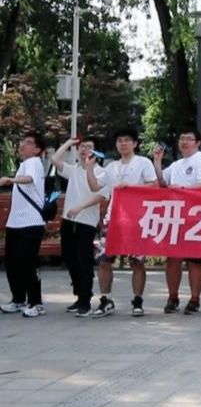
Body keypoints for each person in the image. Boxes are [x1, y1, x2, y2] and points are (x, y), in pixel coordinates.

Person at [66, 128, 157, 317]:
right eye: (119, 141)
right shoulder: (111, 167)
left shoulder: (143, 163)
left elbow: (154, 186)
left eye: (127, 140)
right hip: (113, 218)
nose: (123, 144)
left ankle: (137, 300)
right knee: (104, 260)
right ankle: (105, 300)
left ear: (135, 144)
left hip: (137, 219)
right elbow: (95, 186)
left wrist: (131, 187)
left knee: (137, 262)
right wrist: (89, 168)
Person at [153, 128, 201, 315]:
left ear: (198, 142)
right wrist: (157, 161)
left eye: (189, 139)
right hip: (174, 215)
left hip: (196, 217)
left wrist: (182, 188)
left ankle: (195, 299)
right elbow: (162, 182)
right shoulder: (176, 164)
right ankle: (172, 297)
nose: (184, 142)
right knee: (172, 259)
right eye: (182, 138)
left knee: (194, 260)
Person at [50, 136, 107, 317]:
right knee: (70, 258)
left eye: (88, 147)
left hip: (86, 222)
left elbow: (100, 195)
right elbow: (54, 160)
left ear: (96, 152)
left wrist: (80, 207)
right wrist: (69, 143)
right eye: (81, 147)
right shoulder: (74, 169)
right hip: (69, 220)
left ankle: (85, 301)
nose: (84, 150)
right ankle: (79, 295)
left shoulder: (101, 172)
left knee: (84, 260)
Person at [0, 132, 48, 318]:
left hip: (31, 222)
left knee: (28, 263)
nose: (22, 145)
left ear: (37, 149)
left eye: (28, 142)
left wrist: (11, 179)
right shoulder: (24, 164)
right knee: (12, 262)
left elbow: (29, 179)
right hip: (15, 223)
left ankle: (36, 303)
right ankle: (18, 299)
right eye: (22, 141)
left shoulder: (34, 162)